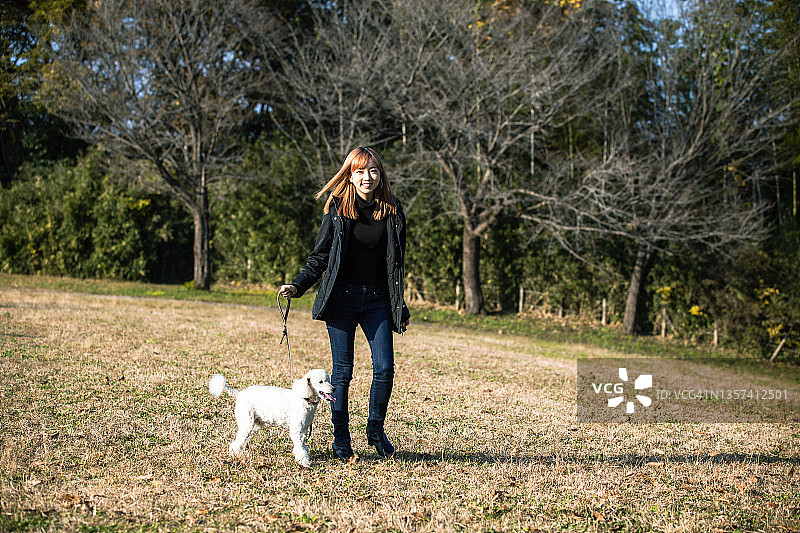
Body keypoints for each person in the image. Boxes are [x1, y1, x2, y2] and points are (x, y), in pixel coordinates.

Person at [279, 147, 410, 462]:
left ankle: (375, 431)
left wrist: (398, 304)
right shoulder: (336, 210)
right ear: (350, 175)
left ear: (381, 175)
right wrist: (298, 285)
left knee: (385, 368)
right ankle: (341, 440)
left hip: (378, 298)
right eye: (360, 172)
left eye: (373, 171)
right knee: (342, 373)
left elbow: (396, 264)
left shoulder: (393, 211)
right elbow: (320, 255)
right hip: (342, 298)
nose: (367, 178)